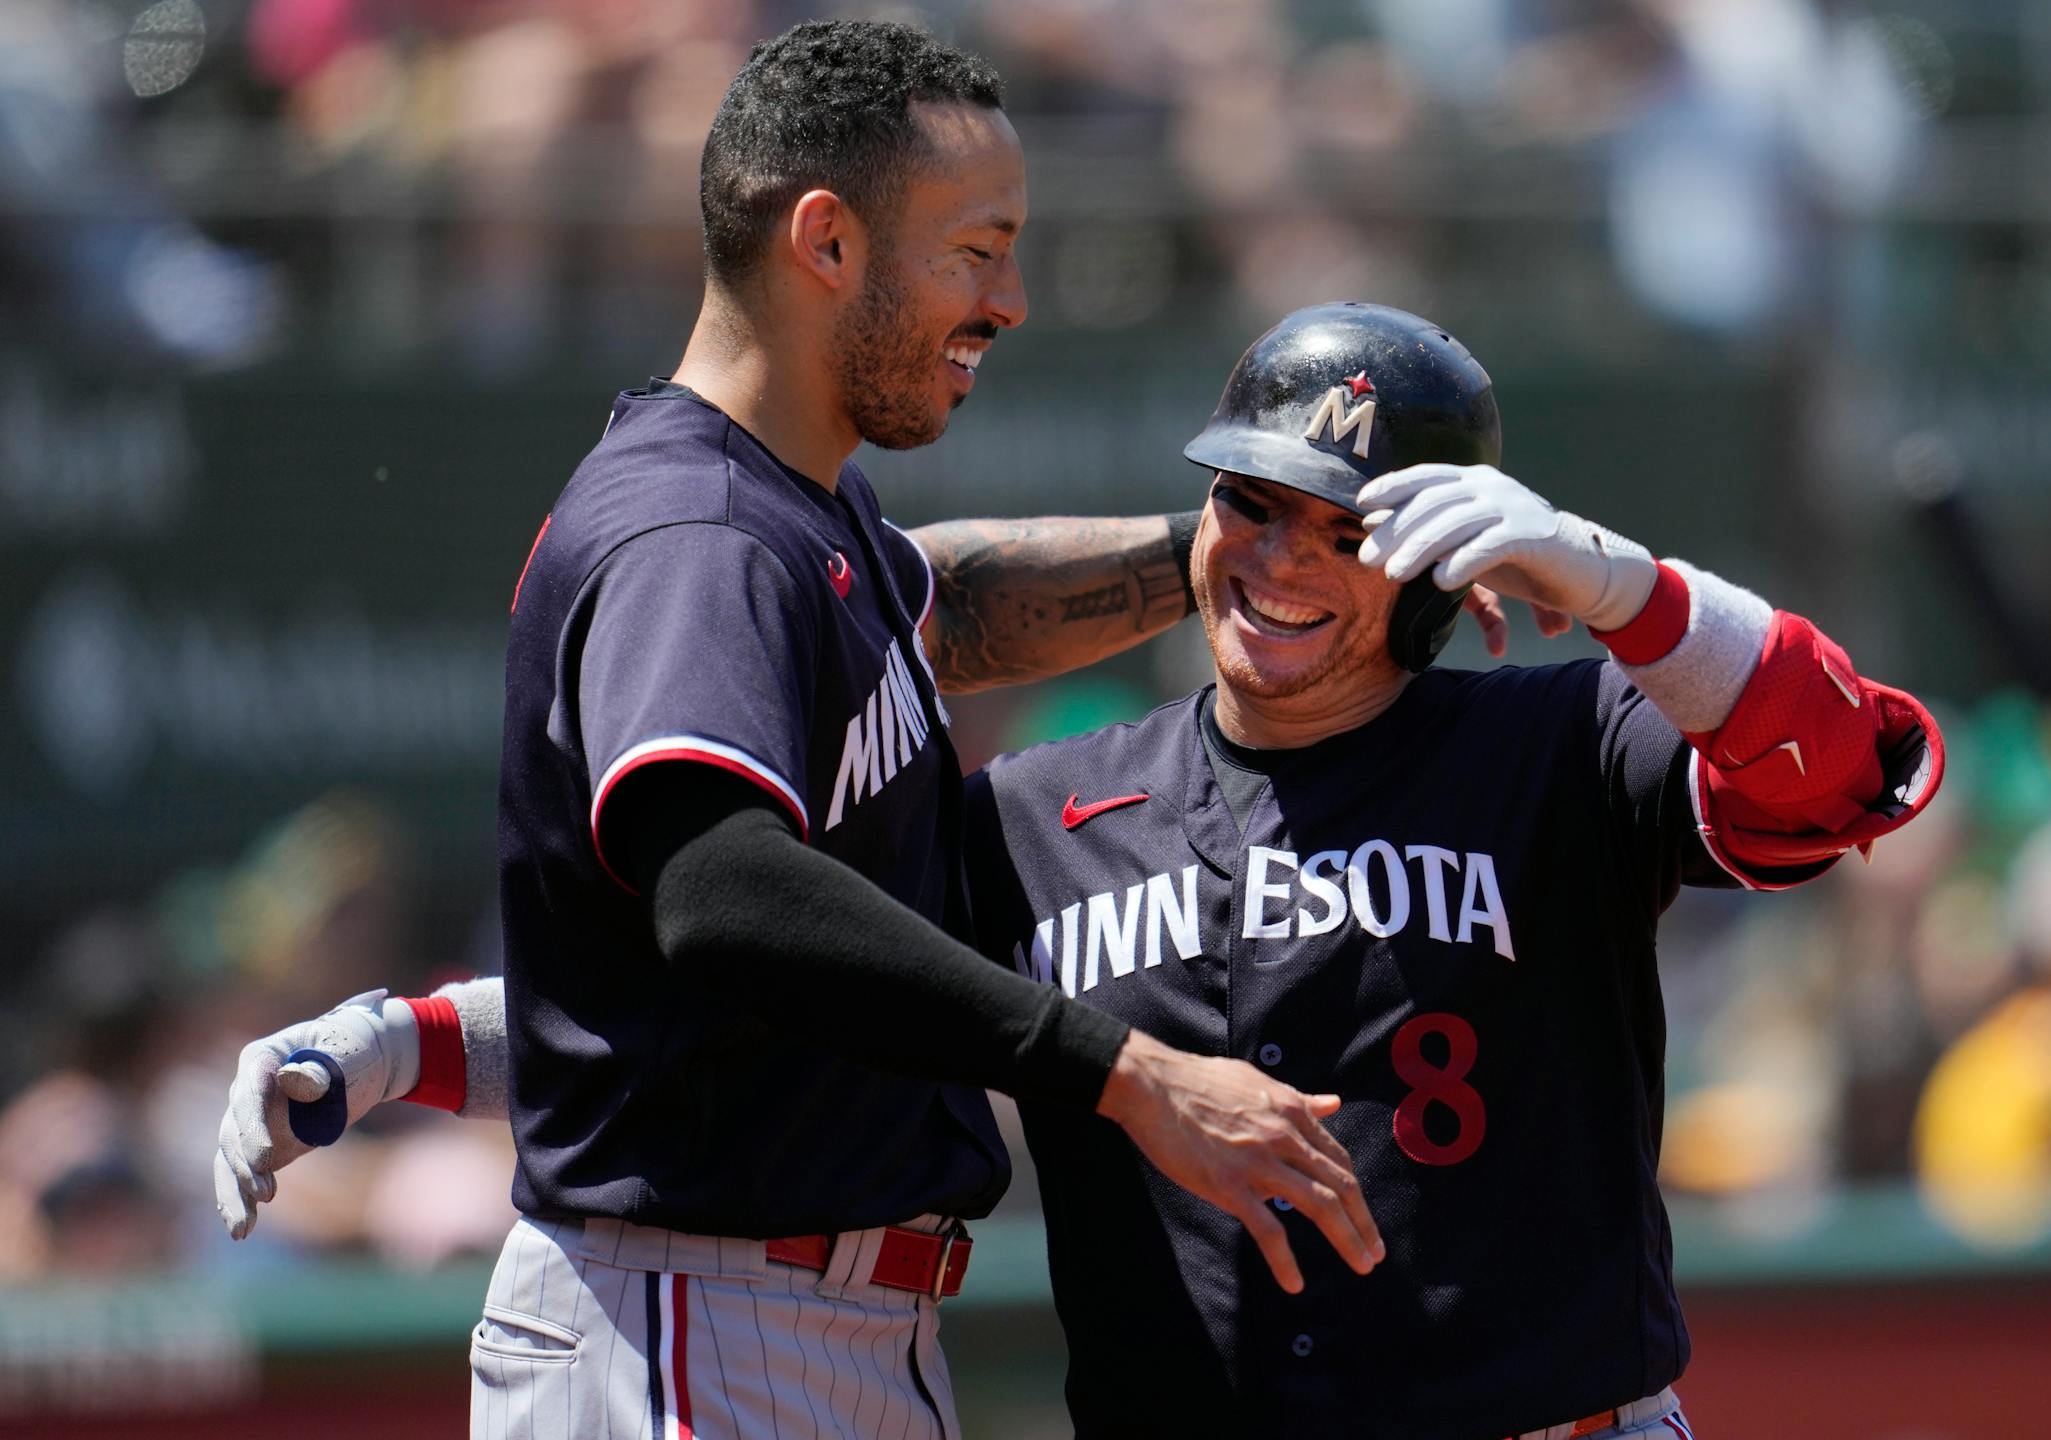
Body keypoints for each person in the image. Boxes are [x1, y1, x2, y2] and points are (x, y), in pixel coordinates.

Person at [216, 302, 1943, 1438]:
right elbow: (748, 999)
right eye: (1250, 504)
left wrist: (1626, 587)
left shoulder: (1559, 749)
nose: (1277, 561)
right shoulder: (1045, 810)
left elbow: (1853, 773)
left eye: (1345, 532)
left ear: (1435, 568)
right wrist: (397, 1045)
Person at [216, 22, 1391, 1440]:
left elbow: (937, 607)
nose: (1010, 300)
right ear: (826, 241)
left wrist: (1251, 551)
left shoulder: (796, 512)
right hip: (695, 1326)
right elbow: (722, 890)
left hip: (794, 1324)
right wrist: (1130, 1076)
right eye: (977, 248)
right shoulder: (700, 535)